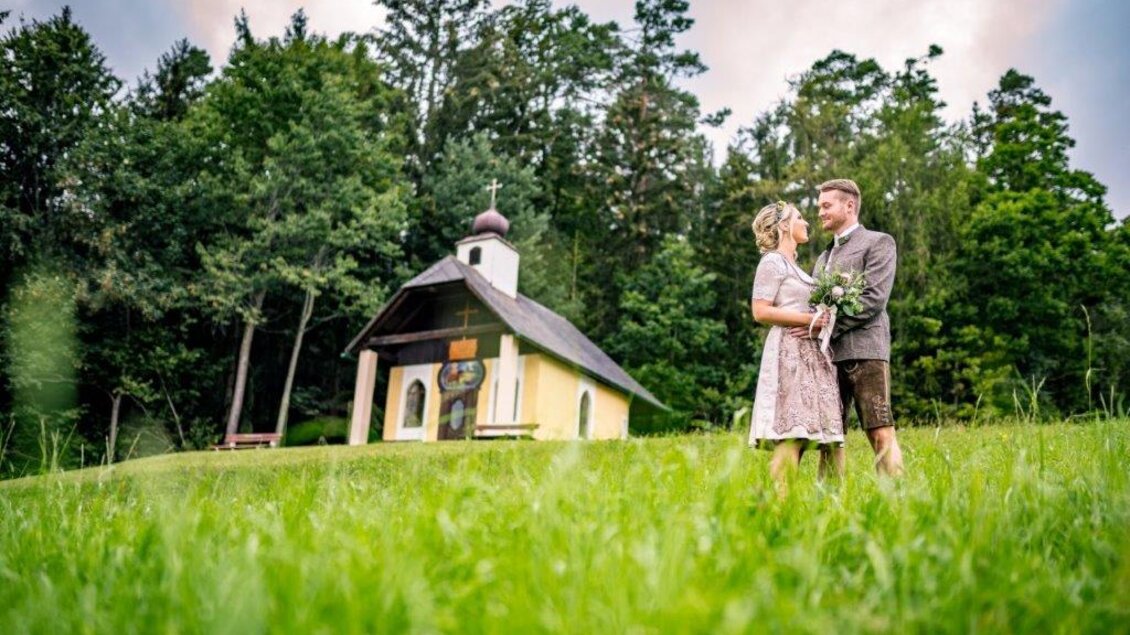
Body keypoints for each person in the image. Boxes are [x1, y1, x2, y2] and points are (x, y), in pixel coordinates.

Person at [793, 179, 904, 478]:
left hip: (866, 352)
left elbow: (874, 299)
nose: (820, 213)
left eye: (826, 206)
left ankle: (899, 501)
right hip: (826, 359)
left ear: (849, 205)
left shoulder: (879, 242)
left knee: (879, 429)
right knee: (830, 437)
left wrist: (824, 327)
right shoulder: (822, 258)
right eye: (819, 207)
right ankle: (829, 504)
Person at [748, 200, 843, 490]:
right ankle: (776, 508)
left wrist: (822, 318)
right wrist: (806, 319)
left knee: (828, 436)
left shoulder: (796, 267)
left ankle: (832, 507)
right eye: (799, 217)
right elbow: (760, 311)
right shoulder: (772, 261)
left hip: (813, 353)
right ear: (784, 226)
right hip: (789, 351)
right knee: (792, 431)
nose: (806, 222)